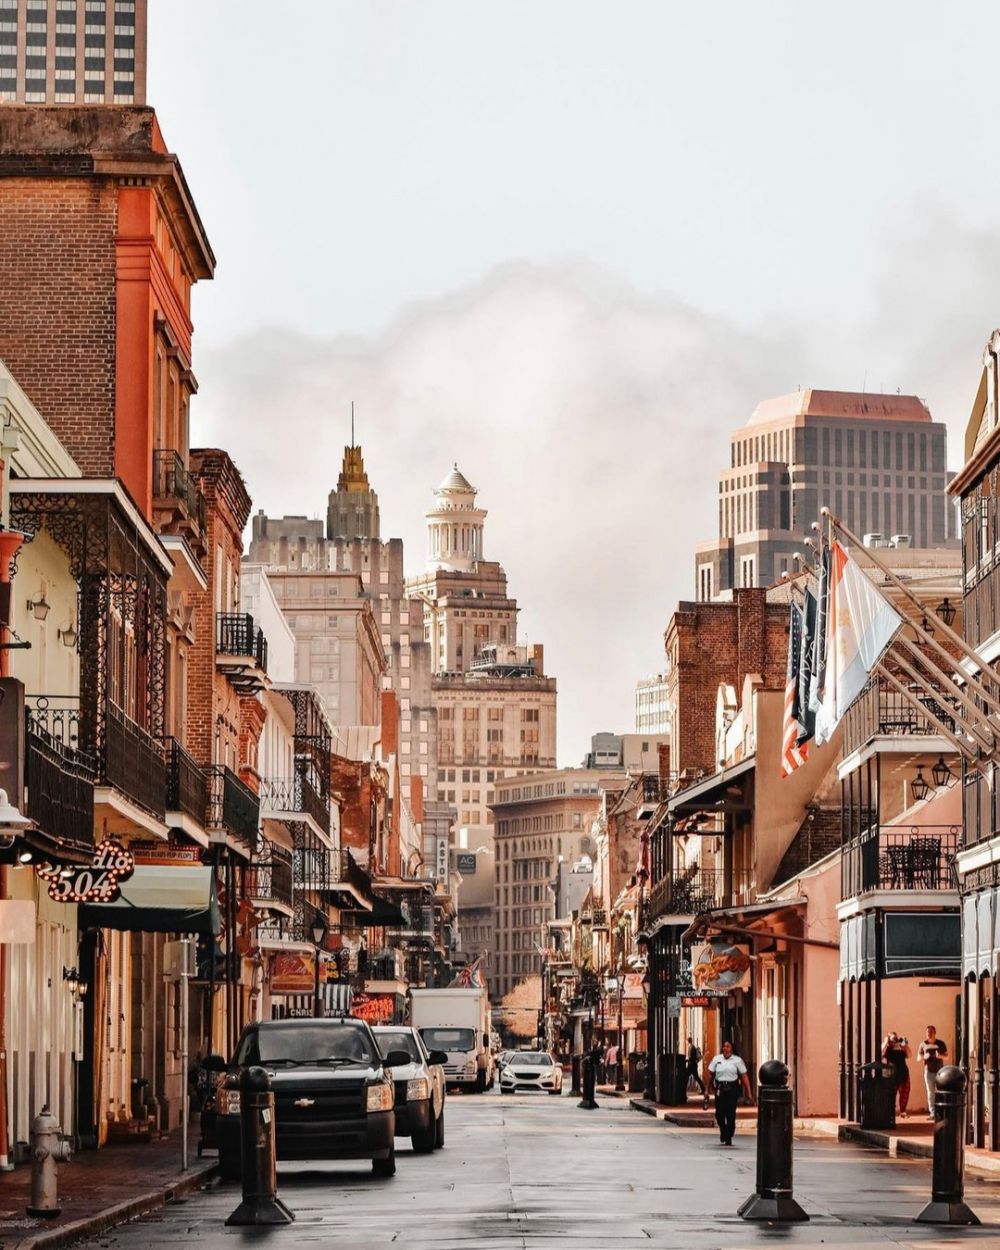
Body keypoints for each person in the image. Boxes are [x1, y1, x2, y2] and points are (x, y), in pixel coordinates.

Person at [707, 1040, 753, 1146]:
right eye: (724, 1046)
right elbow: (711, 1075)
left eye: (728, 1047)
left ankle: (728, 1135)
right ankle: (723, 1129)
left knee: (730, 1112)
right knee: (719, 1113)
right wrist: (706, 1090)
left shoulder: (737, 1060)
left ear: (732, 1049)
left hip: (732, 1088)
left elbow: (744, 1076)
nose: (725, 1049)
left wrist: (749, 1093)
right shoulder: (716, 1059)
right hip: (720, 1088)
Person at [918, 1025, 948, 1115]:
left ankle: (941, 1110)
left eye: (931, 1032)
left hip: (940, 1072)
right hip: (928, 1072)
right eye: (927, 1032)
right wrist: (924, 1057)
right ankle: (933, 1111)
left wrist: (940, 1056)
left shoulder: (941, 1043)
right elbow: (918, 1058)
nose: (929, 1034)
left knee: (941, 1091)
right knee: (930, 1092)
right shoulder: (923, 1044)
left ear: (935, 1033)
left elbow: (947, 1056)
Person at [881, 1031, 911, 1118]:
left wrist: (905, 1046)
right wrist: (886, 1042)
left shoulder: (901, 1048)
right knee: (891, 1094)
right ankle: (890, 1112)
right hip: (892, 1075)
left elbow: (910, 1055)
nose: (894, 1040)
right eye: (892, 1038)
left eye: (895, 1038)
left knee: (904, 1093)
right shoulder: (887, 1049)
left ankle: (902, 1111)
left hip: (903, 1073)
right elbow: (881, 1053)